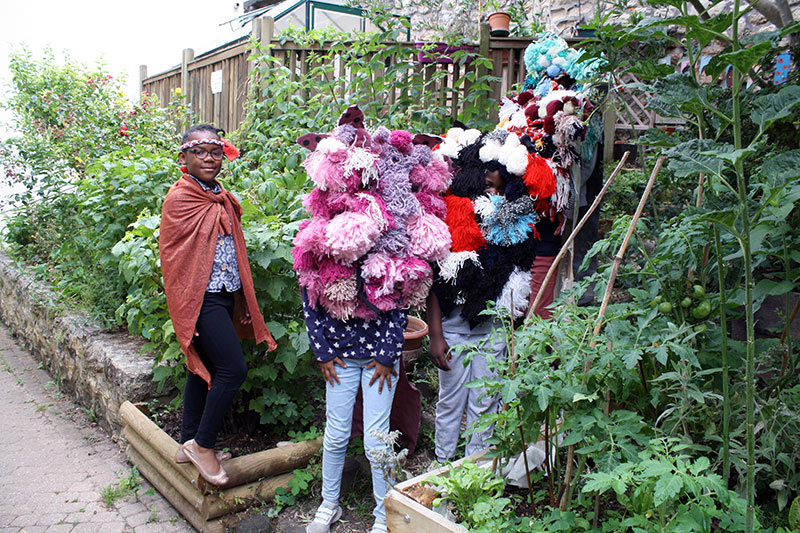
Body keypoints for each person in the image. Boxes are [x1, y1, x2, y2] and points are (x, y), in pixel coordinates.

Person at [159, 124, 277, 486]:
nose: (209, 159)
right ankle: (204, 444)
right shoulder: (181, 198)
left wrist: (240, 295)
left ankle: (187, 442)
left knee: (205, 368)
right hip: (201, 297)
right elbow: (176, 256)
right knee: (233, 369)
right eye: (200, 152)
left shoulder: (220, 195)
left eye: (215, 152)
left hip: (224, 292)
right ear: (183, 158)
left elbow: (228, 251)